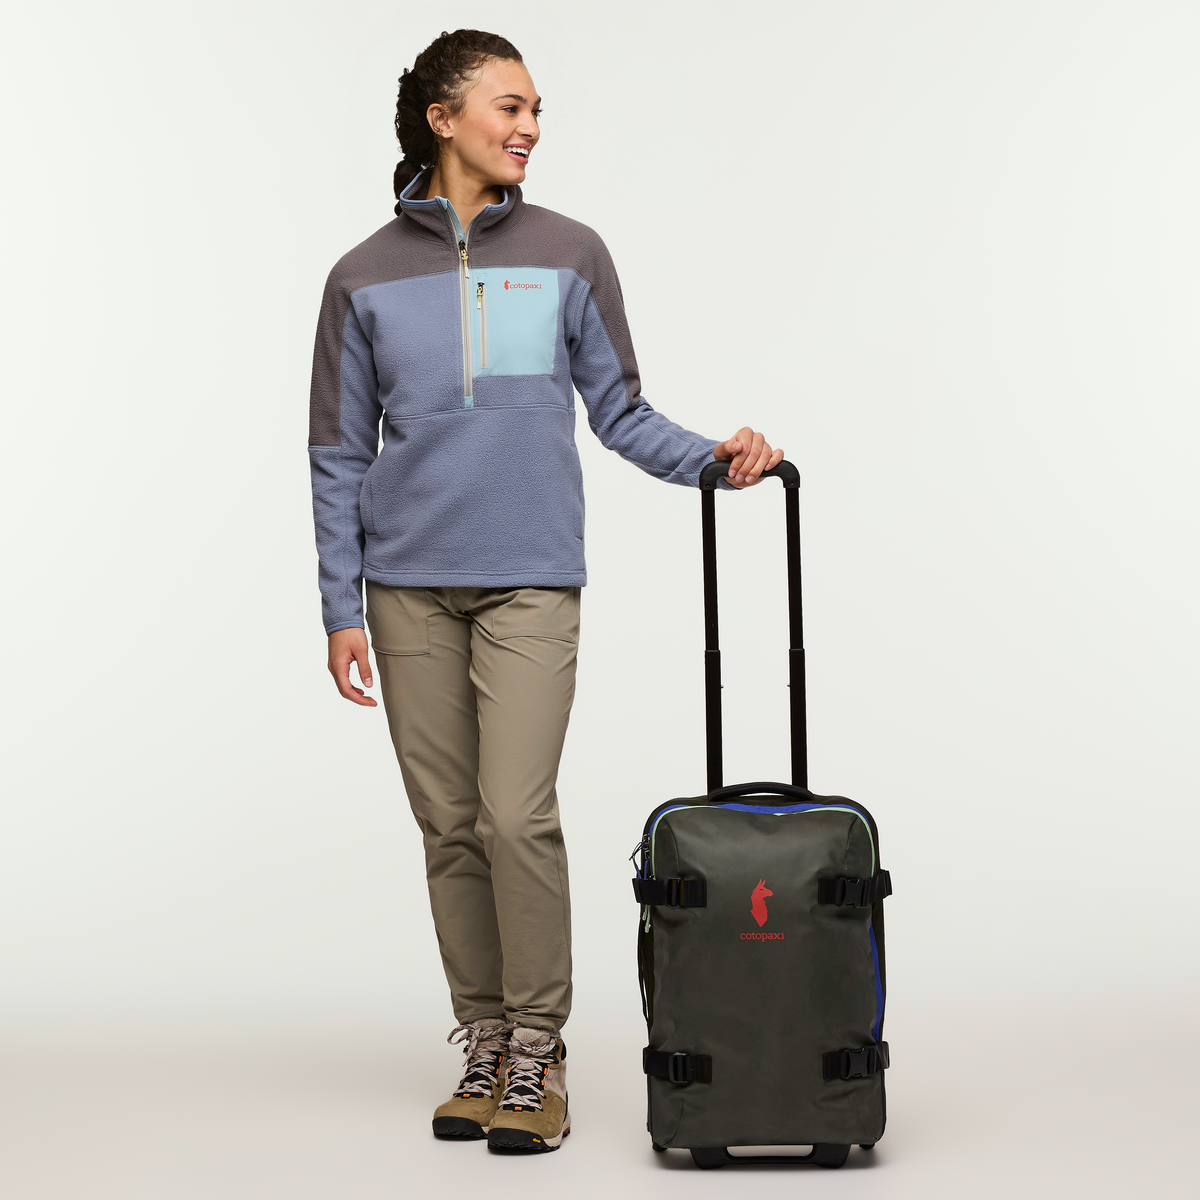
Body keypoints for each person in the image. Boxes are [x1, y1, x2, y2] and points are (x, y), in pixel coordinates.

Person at [308, 28, 784, 1154]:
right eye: (508, 107)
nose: (528, 128)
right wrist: (340, 606)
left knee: (516, 815)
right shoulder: (362, 275)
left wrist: (715, 460)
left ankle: (538, 1050)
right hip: (406, 587)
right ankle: (483, 1042)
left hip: (529, 578)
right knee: (449, 824)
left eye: (535, 112)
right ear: (442, 117)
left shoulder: (570, 253)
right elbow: (336, 452)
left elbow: (619, 411)